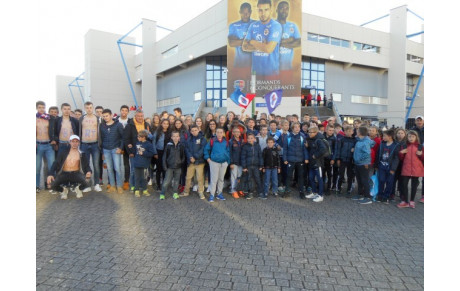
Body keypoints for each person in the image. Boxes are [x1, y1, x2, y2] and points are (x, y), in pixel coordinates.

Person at [242, 0, 282, 76]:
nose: (263, 13)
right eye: (260, 10)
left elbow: (268, 49)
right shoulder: (253, 26)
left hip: (272, 75)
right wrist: (263, 46)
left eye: (266, 10)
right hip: (255, 74)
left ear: (271, 10)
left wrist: (252, 42)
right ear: (257, 10)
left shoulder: (276, 26)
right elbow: (244, 46)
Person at [47, 135, 92, 200]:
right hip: (64, 173)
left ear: (79, 143)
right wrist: (50, 174)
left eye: (76, 141)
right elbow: (56, 163)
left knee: (88, 181)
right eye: (73, 141)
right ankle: (63, 190)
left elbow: (87, 165)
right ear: (70, 142)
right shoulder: (63, 152)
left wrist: (89, 171)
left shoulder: (81, 154)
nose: (74, 143)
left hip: (75, 173)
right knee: (51, 185)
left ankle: (78, 189)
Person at [123, 109, 152, 192]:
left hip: (144, 152)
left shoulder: (147, 125)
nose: (140, 117)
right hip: (134, 152)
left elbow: (150, 139)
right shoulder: (129, 125)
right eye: (138, 116)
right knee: (133, 170)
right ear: (135, 116)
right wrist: (130, 152)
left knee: (143, 171)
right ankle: (132, 186)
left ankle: (141, 185)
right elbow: (126, 140)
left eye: (142, 116)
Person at [78, 101, 102, 192]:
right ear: (85, 108)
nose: (89, 109)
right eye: (87, 108)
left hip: (95, 144)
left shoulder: (98, 118)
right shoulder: (81, 118)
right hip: (84, 144)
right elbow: (79, 130)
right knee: (85, 165)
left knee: (96, 165)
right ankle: (86, 185)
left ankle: (96, 184)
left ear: (93, 108)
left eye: (90, 107)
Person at [100, 109, 124, 194]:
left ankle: (119, 186)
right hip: (106, 150)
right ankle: (113, 186)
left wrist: (120, 148)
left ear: (111, 115)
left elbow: (123, 137)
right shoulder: (102, 126)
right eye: (104, 116)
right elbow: (101, 139)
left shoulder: (118, 125)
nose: (105, 117)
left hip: (115, 149)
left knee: (117, 168)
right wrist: (102, 152)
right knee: (109, 169)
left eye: (107, 116)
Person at [397, 131, 424, 209]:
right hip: (406, 168)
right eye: (409, 136)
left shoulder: (420, 146)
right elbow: (401, 158)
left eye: (413, 136)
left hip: (416, 169)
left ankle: (412, 201)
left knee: (414, 186)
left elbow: (423, 158)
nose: (411, 138)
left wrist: (421, 154)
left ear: (416, 137)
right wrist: (401, 153)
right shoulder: (404, 146)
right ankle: (405, 201)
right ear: (407, 137)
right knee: (404, 185)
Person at [282, 122, 309, 199]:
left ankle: (301, 192)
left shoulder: (302, 136)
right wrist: (285, 159)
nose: (297, 128)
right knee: (288, 176)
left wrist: (306, 158)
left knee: (301, 176)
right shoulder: (288, 137)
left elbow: (304, 149)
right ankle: (287, 191)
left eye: (298, 127)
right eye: (296, 127)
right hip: (290, 160)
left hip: (300, 160)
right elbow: (285, 149)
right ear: (292, 128)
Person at [204, 127, 230, 202]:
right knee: (214, 179)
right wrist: (208, 159)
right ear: (216, 133)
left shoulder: (226, 142)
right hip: (214, 163)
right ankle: (212, 194)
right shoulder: (212, 141)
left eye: (221, 132)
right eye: (218, 132)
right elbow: (206, 149)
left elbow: (228, 152)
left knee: (221, 179)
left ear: (223, 133)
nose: (219, 134)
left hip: (223, 163)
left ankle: (219, 193)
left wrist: (227, 161)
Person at [36, 101, 56, 193]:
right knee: (38, 166)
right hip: (38, 145)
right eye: (40, 107)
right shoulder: (35, 118)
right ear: (36, 108)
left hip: (48, 145)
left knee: (51, 166)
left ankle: (52, 185)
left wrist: (54, 139)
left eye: (43, 107)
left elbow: (55, 130)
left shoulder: (49, 118)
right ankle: (36, 186)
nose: (42, 109)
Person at [352, 126, 375, 205]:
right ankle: (360, 194)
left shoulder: (365, 142)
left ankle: (367, 197)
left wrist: (364, 161)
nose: (356, 132)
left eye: (357, 131)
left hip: (363, 164)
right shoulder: (360, 140)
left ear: (360, 133)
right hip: (358, 163)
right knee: (359, 179)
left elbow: (367, 153)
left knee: (365, 180)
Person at [305, 126, 328, 202]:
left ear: (316, 132)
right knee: (311, 178)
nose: (310, 134)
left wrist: (316, 155)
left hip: (318, 163)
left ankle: (320, 195)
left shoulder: (319, 140)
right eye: (309, 132)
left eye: (311, 132)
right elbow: (312, 149)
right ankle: (314, 192)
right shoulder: (311, 139)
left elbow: (323, 149)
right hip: (312, 163)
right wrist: (308, 147)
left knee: (319, 179)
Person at [376, 129, 399, 204]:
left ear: (390, 136)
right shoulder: (382, 144)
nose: (383, 137)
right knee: (381, 180)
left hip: (390, 167)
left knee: (389, 182)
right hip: (382, 166)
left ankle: (386, 196)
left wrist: (393, 168)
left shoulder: (396, 145)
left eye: (384, 136)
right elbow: (378, 154)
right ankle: (380, 195)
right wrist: (377, 164)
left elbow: (396, 158)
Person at [160, 131, 186, 200]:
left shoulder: (181, 146)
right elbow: (164, 157)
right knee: (166, 181)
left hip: (178, 166)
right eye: (174, 136)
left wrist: (181, 163)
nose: (175, 138)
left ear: (179, 137)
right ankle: (162, 193)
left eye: (177, 136)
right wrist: (165, 166)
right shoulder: (168, 146)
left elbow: (183, 156)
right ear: (171, 137)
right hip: (169, 166)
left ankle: (175, 193)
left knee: (176, 181)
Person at [228, 2, 254, 68]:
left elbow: (261, 42)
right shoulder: (233, 26)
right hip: (239, 64)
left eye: (247, 12)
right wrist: (250, 41)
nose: (245, 15)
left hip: (255, 65)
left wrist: (239, 41)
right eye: (243, 12)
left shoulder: (256, 24)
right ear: (240, 12)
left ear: (251, 12)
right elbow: (231, 43)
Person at [183, 125, 206, 199]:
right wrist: (190, 157)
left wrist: (195, 157)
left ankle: (200, 192)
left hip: (199, 161)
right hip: (191, 162)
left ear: (198, 130)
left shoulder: (202, 138)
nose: (194, 132)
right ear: (190, 131)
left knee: (200, 178)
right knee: (188, 177)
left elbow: (202, 149)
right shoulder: (189, 139)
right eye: (192, 131)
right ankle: (186, 191)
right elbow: (186, 149)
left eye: (195, 130)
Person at [277, 1, 300, 73]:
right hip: (272, 69)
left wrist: (281, 43)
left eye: (287, 8)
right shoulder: (272, 25)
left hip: (287, 69)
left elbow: (299, 42)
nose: (284, 11)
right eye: (282, 8)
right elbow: (268, 42)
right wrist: (290, 39)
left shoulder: (293, 26)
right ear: (277, 10)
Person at [133, 130, 156, 197]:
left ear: (144, 137)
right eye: (138, 136)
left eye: (139, 137)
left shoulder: (148, 144)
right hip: (137, 163)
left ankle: (145, 190)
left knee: (144, 178)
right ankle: (136, 190)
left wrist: (143, 153)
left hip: (144, 164)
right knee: (137, 177)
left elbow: (151, 153)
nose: (138, 138)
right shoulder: (137, 143)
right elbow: (135, 152)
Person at [241, 133, 264, 199]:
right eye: (248, 138)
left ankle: (260, 192)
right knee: (249, 179)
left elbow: (260, 156)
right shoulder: (245, 146)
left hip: (256, 166)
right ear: (247, 139)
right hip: (248, 166)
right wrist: (244, 167)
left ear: (254, 139)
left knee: (258, 179)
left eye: (251, 138)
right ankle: (250, 192)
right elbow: (243, 157)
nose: (250, 139)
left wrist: (261, 165)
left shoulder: (257, 146)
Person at [336, 126, 356, 197]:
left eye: (350, 131)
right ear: (344, 132)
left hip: (351, 160)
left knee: (350, 175)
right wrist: (338, 158)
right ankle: (338, 188)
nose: (348, 132)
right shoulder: (342, 140)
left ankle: (348, 189)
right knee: (341, 175)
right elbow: (338, 149)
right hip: (342, 159)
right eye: (347, 131)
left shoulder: (354, 140)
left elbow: (356, 149)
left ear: (353, 132)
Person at [115, 105, 131, 190]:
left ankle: (126, 181)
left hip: (127, 146)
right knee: (117, 164)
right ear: (120, 111)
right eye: (122, 110)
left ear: (128, 112)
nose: (124, 112)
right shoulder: (115, 121)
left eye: (126, 110)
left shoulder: (130, 121)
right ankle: (116, 181)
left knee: (126, 164)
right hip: (118, 145)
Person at [152, 119, 170, 190]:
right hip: (159, 152)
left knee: (165, 169)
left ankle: (164, 185)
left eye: (167, 124)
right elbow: (153, 143)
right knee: (159, 169)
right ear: (161, 124)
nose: (165, 125)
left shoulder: (170, 132)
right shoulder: (157, 132)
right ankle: (158, 185)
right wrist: (155, 153)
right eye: (164, 123)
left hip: (167, 153)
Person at [228, 126, 245, 199]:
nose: (237, 133)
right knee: (234, 177)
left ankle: (239, 189)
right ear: (233, 133)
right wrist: (231, 163)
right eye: (236, 132)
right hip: (234, 162)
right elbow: (229, 153)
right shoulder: (231, 142)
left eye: (238, 132)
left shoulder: (242, 141)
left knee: (239, 176)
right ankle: (233, 190)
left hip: (241, 162)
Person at [411, 115, 424, 203]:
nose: (419, 122)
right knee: (415, 176)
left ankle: (424, 195)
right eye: (417, 120)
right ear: (415, 122)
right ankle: (412, 195)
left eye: (420, 120)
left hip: (425, 154)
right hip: (415, 154)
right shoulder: (412, 130)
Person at [323, 125, 337, 194]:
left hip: (329, 159)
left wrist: (333, 159)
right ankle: (321, 187)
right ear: (326, 130)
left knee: (329, 174)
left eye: (332, 130)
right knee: (322, 174)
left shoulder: (334, 139)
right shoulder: (322, 137)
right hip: (322, 158)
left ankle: (328, 188)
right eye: (329, 130)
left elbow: (335, 150)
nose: (331, 132)